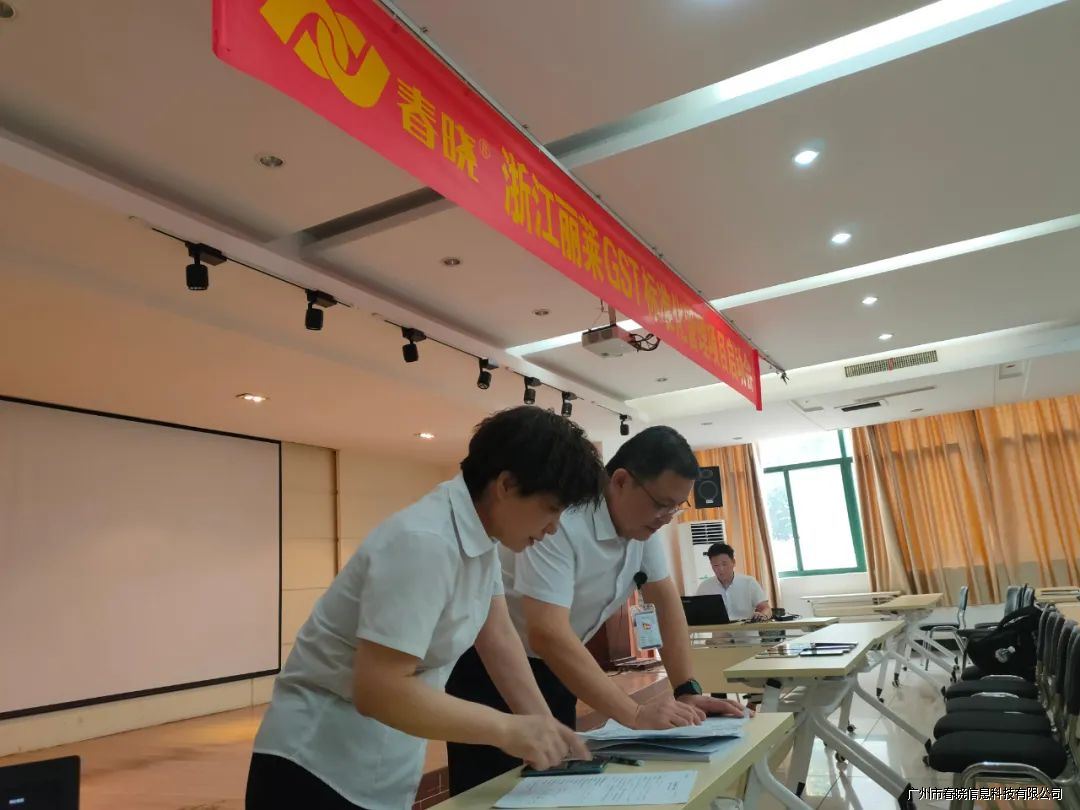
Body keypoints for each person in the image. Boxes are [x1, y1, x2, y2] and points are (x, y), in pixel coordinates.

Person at [245, 406, 608, 810]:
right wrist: (507, 729)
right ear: (506, 485)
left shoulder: (482, 535)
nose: (553, 528)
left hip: (378, 766)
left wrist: (545, 730)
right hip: (313, 767)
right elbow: (380, 690)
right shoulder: (424, 541)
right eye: (552, 509)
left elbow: (498, 637)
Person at [445, 426, 748, 796]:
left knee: (550, 785)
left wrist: (686, 688)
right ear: (620, 481)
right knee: (488, 792)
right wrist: (634, 714)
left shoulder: (643, 527)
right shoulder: (561, 520)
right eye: (660, 503)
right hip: (488, 668)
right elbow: (547, 632)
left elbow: (665, 601)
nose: (666, 517)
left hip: (557, 667)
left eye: (675, 507)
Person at [695, 542, 770, 621]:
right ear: (711, 565)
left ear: (733, 562)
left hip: (745, 628)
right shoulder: (704, 587)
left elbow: (766, 608)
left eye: (724, 564)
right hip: (718, 629)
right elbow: (696, 613)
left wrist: (763, 615)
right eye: (716, 565)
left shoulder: (749, 582)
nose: (721, 569)